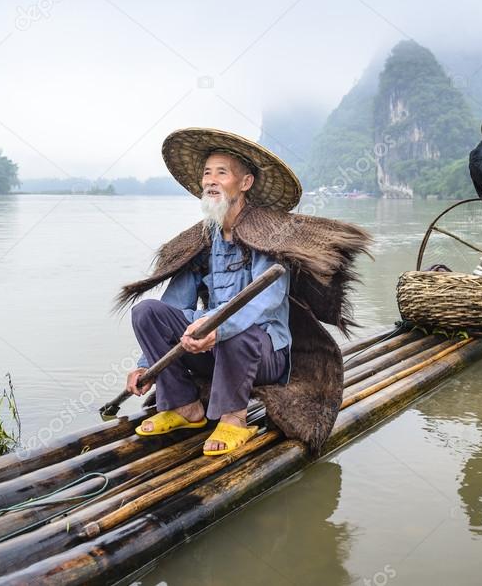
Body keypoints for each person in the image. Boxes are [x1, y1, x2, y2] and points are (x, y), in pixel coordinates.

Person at [116, 127, 371, 456]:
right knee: (146, 312)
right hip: (211, 349)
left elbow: (266, 303)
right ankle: (184, 407)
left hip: (262, 353)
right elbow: (175, 305)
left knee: (240, 332)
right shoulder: (203, 238)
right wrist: (146, 365)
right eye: (207, 173)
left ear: (245, 182)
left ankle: (234, 418)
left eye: (221, 173)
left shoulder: (268, 234)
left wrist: (218, 328)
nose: (210, 180)